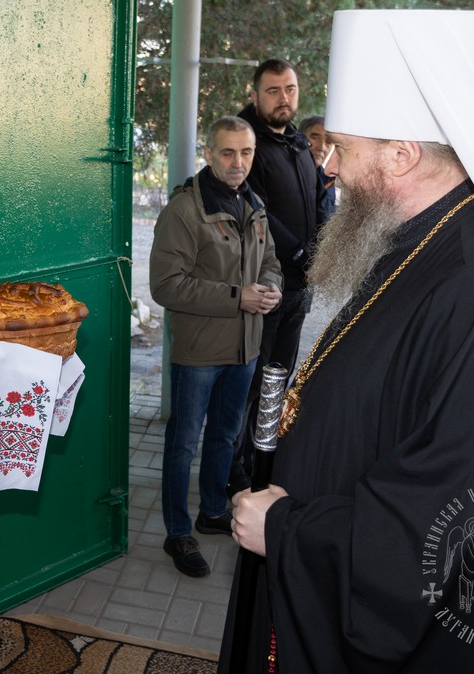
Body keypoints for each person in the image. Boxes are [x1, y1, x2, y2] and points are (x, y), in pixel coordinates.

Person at [222, 10, 474, 673]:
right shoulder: (420, 238)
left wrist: (287, 529)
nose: (329, 168)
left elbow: (454, 526)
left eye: (342, 149)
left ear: (402, 155)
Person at [149, 116, 281, 578]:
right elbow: (166, 285)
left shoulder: (253, 203)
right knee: (183, 444)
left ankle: (211, 511)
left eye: (246, 152)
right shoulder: (185, 210)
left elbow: (270, 261)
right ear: (208, 154)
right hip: (199, 352)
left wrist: (271, 288)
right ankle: (177, 532)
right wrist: (238, 297)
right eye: (227, 152)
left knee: (225, 436)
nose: (237, 162)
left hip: (244, 349)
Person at [235, 60, 327, 478]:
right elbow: (257, 211)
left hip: (299, 288)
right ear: (255, 95)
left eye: (289, 89)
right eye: (273, 91)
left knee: (279, 378)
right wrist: (300, 253)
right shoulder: (247, 144)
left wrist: (323, 250)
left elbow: (318, 202)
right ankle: (236, 469)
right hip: (265, 287)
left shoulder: (298, 143)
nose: (283, 98)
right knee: (251, 383)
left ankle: (263, 461)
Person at [299, 114, 338, 218]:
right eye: (315, 137)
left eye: (328, 142)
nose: (321, 147)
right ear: (300, 138)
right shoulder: (290, 175)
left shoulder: (328, 179)